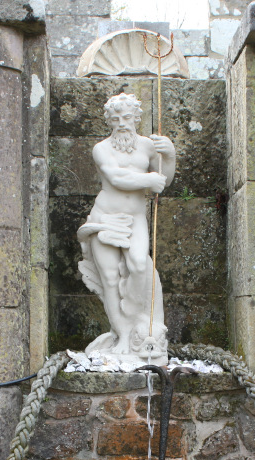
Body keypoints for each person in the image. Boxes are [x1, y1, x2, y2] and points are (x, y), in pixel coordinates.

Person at [76, 93, 175, 363]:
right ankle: (122, 335)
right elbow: (116, 177)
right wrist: (148, 179)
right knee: (109, 279)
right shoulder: (101, 148)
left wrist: (170, 155)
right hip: (105, 218)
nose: (121, 123)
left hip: (135, 219)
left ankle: (133, 311)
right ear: (109, 121)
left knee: (140, 265)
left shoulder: (147, 146)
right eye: (116, 118)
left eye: (127, 117)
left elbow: (163, 180)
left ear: (136, 119)